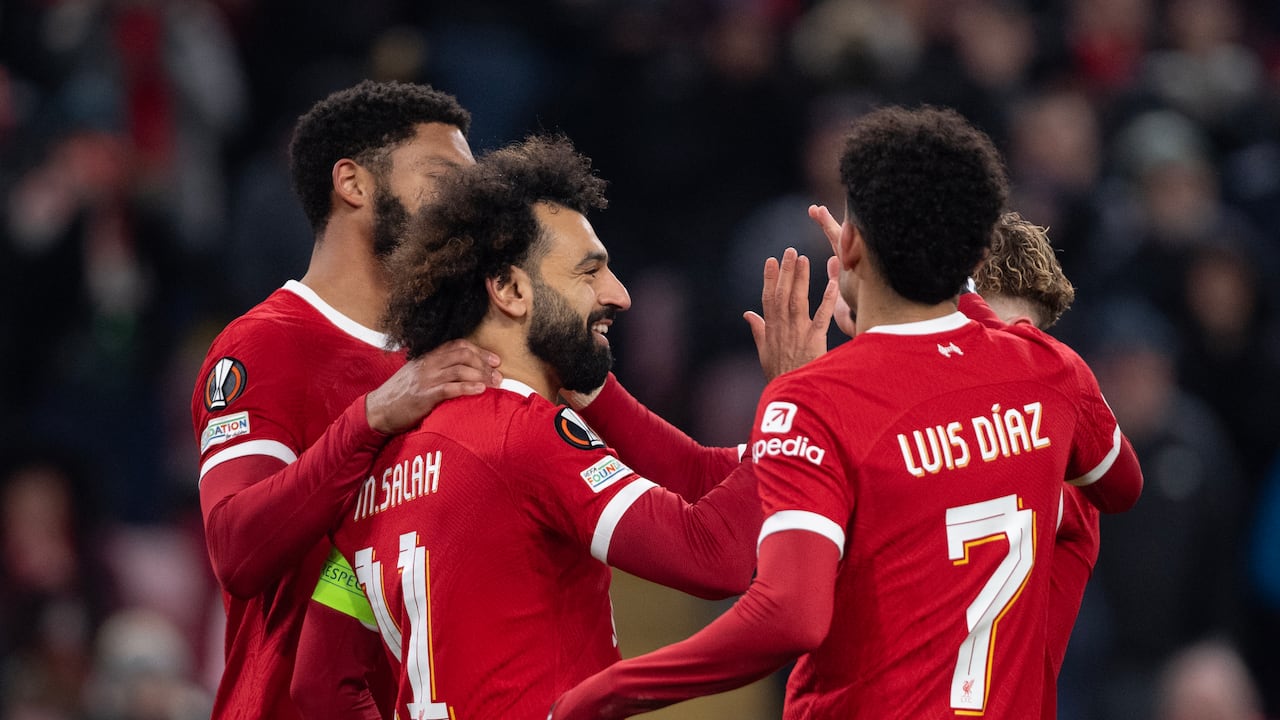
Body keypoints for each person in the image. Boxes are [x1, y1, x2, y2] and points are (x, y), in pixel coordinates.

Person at [551, 105, 1144, 719]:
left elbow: (789, 615)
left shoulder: (824, 400)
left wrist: (602, 694)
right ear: (972, 261)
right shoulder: (1051, 375)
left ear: (850, 244)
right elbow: (1121, 486)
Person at [310, 134, 776, 720]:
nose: (619, 296)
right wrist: (794, 405)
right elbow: (714, 556)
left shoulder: (372, 472)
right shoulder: (523, 434)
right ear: (510, 290)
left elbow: (319, 684)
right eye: (590, 272)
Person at [190, 80, 502, 720]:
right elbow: (237, 549)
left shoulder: (455, 356)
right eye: (443, 179)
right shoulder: (265, 345)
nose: (466, 208)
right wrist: (371, 419)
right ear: (353, 184)